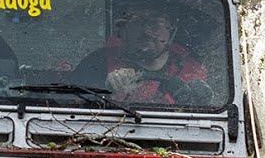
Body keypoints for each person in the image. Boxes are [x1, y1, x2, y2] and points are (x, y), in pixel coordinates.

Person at [74, 8, 212, 107]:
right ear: (123, 30)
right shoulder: (97, 62)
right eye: (137, 23)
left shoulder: (191, 71)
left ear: (171, 31)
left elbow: (205, 115)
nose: (146, 32)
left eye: (155, 24)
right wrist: (104, 89)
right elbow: (73, 107)